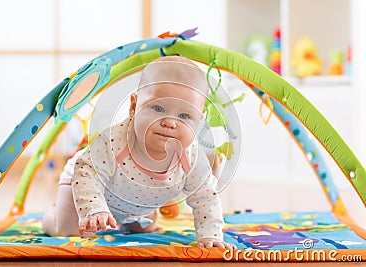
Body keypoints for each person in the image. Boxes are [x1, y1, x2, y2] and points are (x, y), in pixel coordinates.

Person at [42, 56, 231, 249]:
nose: (170, 122)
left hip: (136, 201)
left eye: (184, 116)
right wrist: (94, 208)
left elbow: (206, 197)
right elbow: (87, 172)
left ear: (198, 121)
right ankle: (53, 214)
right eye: (158, 108)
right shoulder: (115, 141)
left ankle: (137, 217)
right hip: (84, 187)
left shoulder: (191, 157)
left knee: (144, 229)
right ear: (134, 106)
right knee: (70, 229)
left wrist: (210, 235)